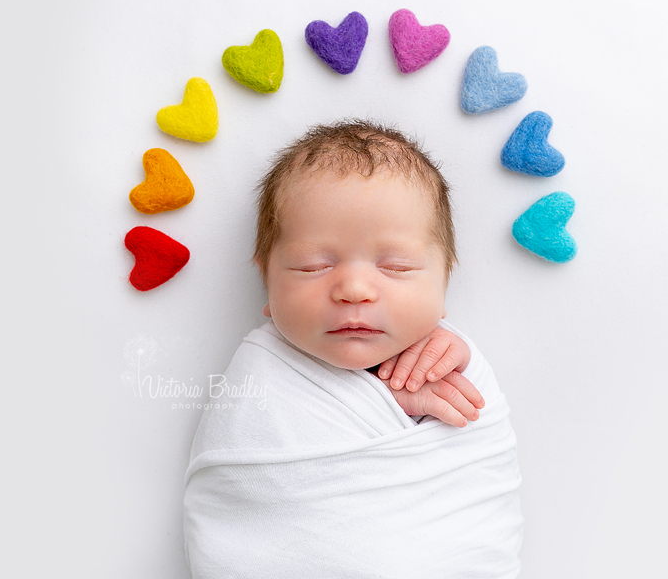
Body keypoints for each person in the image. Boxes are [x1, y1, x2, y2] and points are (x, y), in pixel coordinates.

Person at [184, 120, 523, 578]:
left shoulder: (453, 361)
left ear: (445, 280)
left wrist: (432, 376)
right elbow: (245, 490)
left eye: (398, 267)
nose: (354, 289)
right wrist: (389, 397)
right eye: (312, 266)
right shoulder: (262, 375)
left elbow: (474, 447)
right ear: (267, 278)